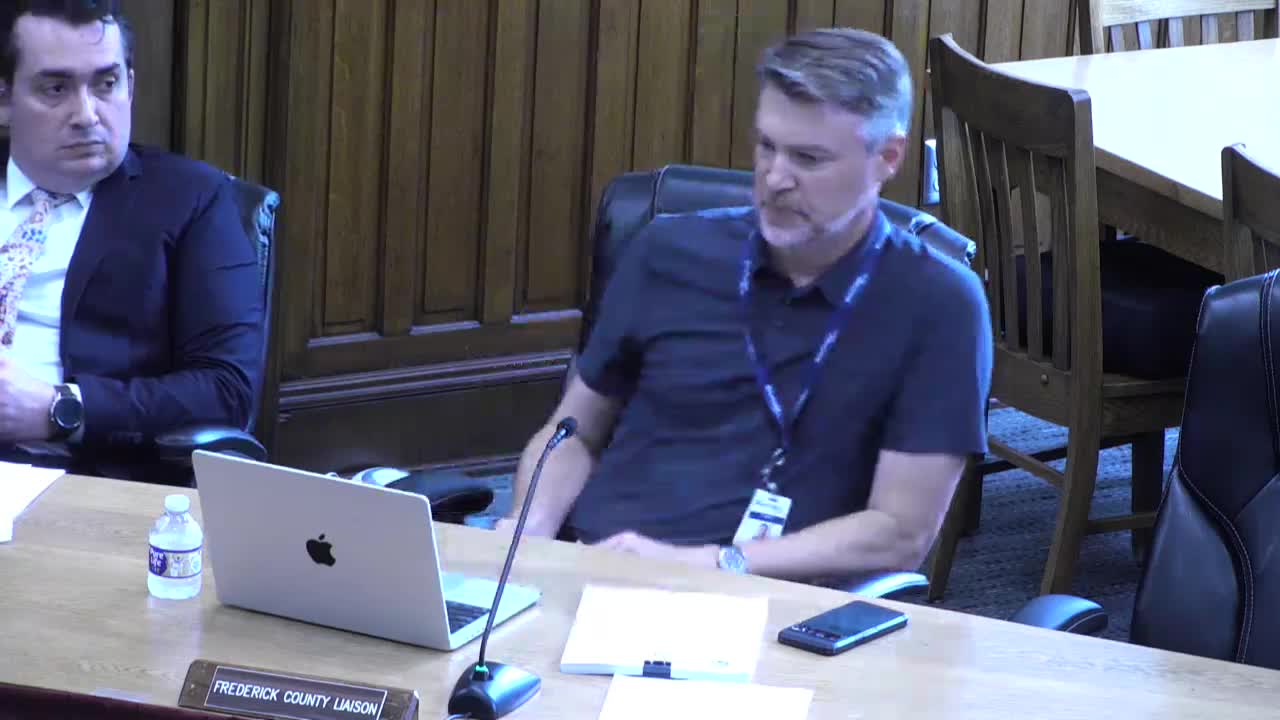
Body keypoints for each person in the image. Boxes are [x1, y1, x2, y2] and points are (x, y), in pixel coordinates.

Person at [505, 27, 991, 583]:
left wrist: (713, 565)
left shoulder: (938, 304)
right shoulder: (668, 250)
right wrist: (528, 532)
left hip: (764, 600)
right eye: (766, 147)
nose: (775, 179)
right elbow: (573, 433)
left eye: (808, 158)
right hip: (588, 565)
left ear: (887, 157)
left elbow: (900, 532)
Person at [0, 1, 263, 483]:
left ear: (131, 85)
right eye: (56, 89)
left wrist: (62, 408)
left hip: (82, 480)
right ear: (4, 99)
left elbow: (226, 389)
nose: (86, 115)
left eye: (106, 84)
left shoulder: (191, 199)